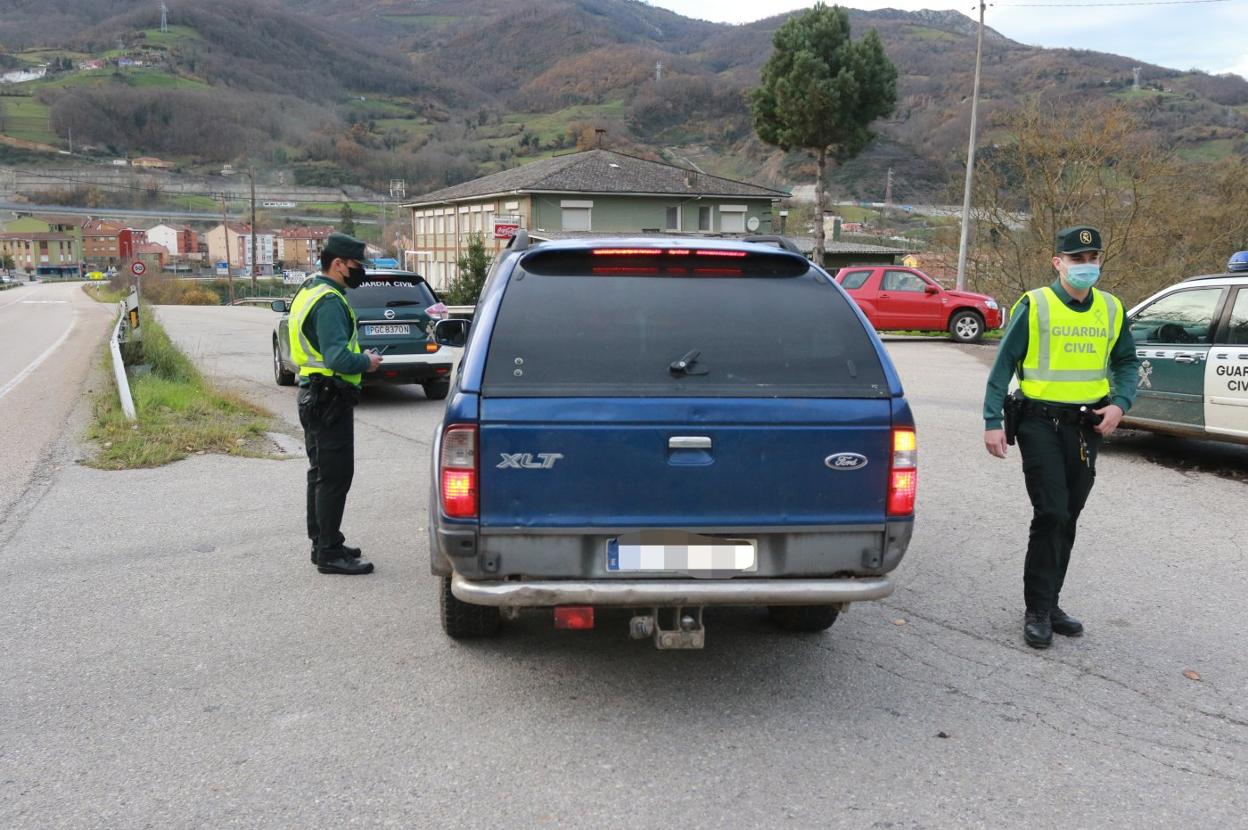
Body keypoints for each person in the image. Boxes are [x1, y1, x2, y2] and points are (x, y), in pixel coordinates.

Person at [983, 226, 1139, 648]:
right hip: (1038, 422)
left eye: (1093, 259)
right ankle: (1036, 609)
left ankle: (1051, 604)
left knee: (1068, 515)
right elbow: (1003, 365)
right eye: (1077, 259)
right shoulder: (1035, 305)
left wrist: (1120, 404)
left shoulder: (1111, 308)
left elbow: (1126, 362)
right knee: (1051, 511)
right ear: (1058, 262)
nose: (1087, 267)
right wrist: (991, 419)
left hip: (1087, 427)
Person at [288, 232, 383, 575]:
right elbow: (338, 356)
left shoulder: (311, 288)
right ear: (338, 264)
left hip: (314, 394)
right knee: (335, 475)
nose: (361, 272)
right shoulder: (329, 302)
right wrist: (367, 361)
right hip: (329, 397)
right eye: (357, 266)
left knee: (321, 474)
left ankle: (324, 541)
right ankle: (329, 552)